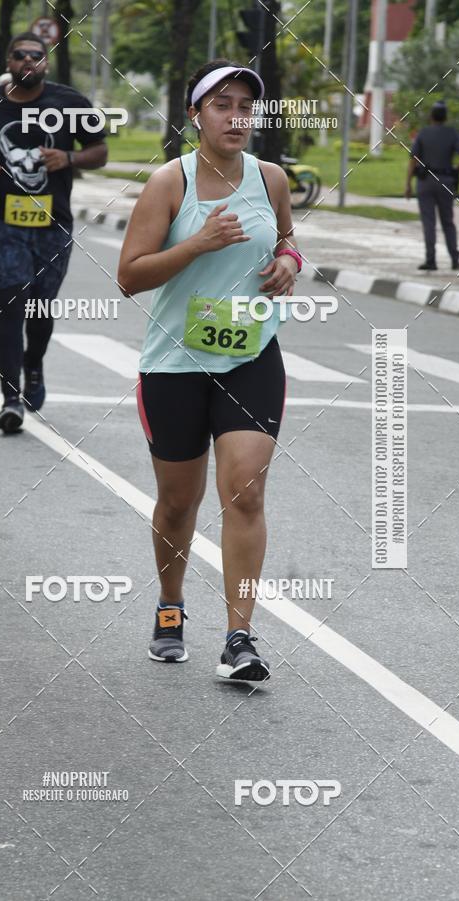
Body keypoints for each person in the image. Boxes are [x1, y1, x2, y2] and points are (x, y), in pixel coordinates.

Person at [117, 59, 301, 683]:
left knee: (245, 490)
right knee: (177, 503)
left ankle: (240, 636)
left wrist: (290, 261)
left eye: (246, 105)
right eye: (222, 104)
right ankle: (171, 607)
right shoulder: (170, 183)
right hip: (174, 363)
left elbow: (287, 238)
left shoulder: (271, 178)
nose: (237, 116)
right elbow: (130, 276)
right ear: (195, 115)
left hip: (250, 356)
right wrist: (196, 243)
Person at [0, 32, 107, 433]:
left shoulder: (70, 103)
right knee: (10, 304)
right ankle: (10, 399)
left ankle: (33, 363)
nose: (28, 61)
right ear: (8, 61)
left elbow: (100, 151)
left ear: (46, 62)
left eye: (36, 56)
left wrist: (70, 157)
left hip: (52, 224)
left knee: (40, 310)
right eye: (20, 55)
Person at [405, 100, 459, 271]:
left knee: (429, 222)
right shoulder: (452, 133)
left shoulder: (423, 133)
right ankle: (454, 259)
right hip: (446, 181)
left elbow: (413, 160)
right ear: (445, 117)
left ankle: (431, 260)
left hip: (425, 182)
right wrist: (456, 169)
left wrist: (408, 184)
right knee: (448, 221)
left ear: (431, 116)